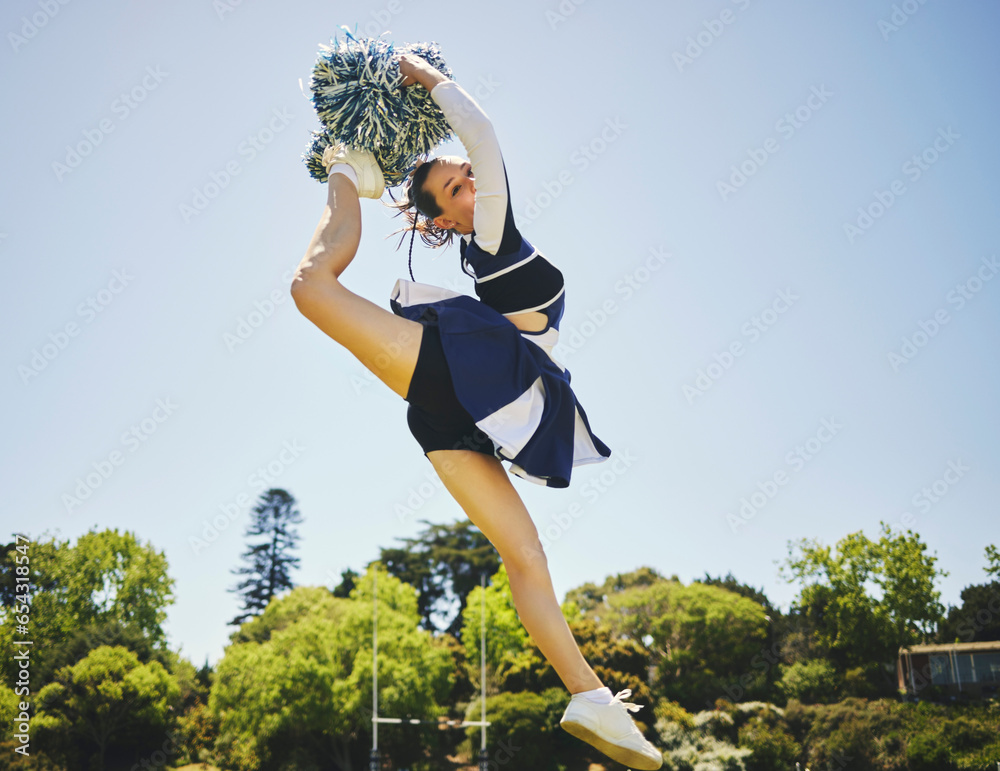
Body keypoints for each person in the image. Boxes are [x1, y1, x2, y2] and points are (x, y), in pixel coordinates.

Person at [290, 51, 663, 770]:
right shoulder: (492, 240)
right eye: (455, 187)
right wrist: (420, 74)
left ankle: (590, 696)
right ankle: (346, 165)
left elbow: (479, 148)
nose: (470, 183)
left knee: (525, 556)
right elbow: (484, 133)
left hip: (471, 403)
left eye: (465, 177)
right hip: (470, 377)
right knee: (311, 288)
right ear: (442, 221)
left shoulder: (494, 254)